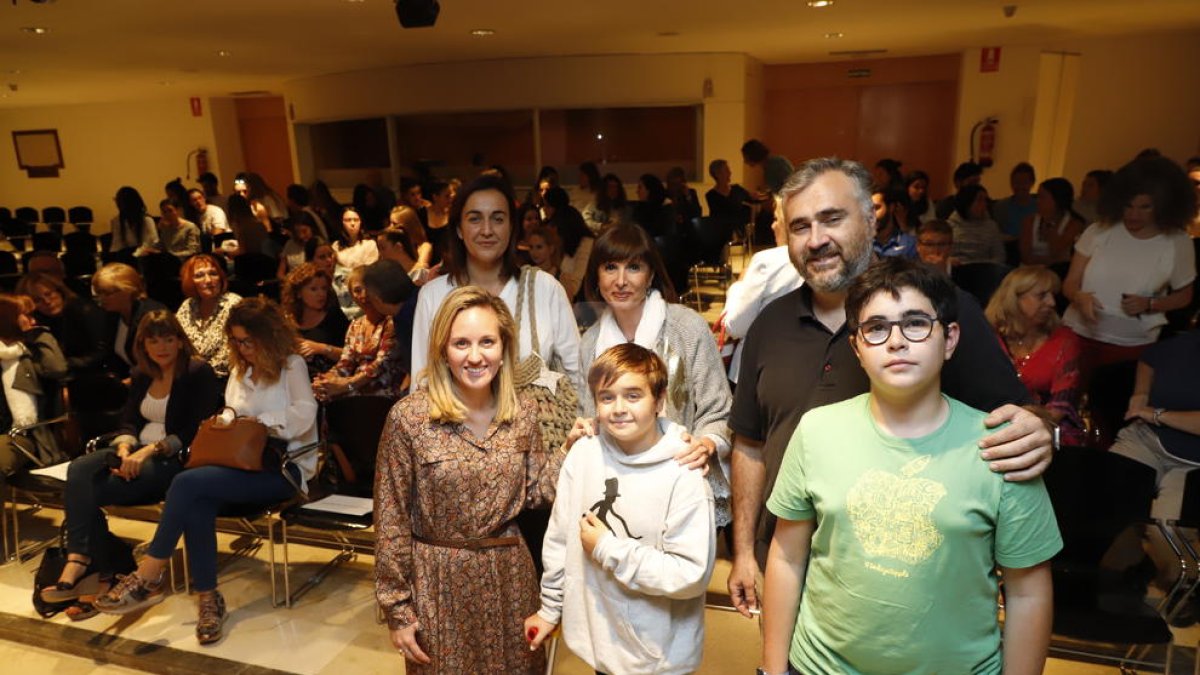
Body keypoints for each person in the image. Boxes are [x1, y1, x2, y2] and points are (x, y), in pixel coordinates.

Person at [727, 157, 1054, 619]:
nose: (816, 239)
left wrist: (1040, 431)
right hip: (786, 564)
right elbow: (750, 443)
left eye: (832, 218)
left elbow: (1021, 416)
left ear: (870, 217)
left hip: (905, 584)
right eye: (800, 226)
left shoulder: (936, 311)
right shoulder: (770, 323)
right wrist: (743, 551)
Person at [760, 258, 1061, 675]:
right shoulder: (817, 431)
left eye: (916, 323)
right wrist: (772, 670)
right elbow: (787, 557)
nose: (896, 341)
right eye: (877, 328)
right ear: (857, 347)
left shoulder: (1000, 446)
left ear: (950, 338)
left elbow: (1028, 592)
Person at [95, 297, 319, 645]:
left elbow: (305, 415)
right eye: (237, 341)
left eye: (248, 341)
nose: (242, 348)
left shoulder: (291, 366)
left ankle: (149, 574)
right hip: (236, 464)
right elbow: (229, 413)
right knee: (195, 499)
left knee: (186, 484)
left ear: (268, 335)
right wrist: (231, 421)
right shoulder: (240, 369)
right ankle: (208, 599)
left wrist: (261, 424)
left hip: (279, 469)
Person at [375, 286, 562, 674]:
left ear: (504, 346)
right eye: (461, 343)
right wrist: (396, 607)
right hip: (437, 581)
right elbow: (391, 517)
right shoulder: (409, 418)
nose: (476, 356)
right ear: (443, 349)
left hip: (510, 577)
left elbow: (536, 492)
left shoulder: (522, 412)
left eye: (487, 342)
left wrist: (574, 448)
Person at [525, 343, 714, 674]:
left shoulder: (684, 471)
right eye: (607, 397)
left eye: (633, 395)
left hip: (658, 658)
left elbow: (690, 574)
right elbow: (560, 537)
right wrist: (550, 608)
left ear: (659, 400)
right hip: (601, 643)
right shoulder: (584, 454)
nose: (618, 408)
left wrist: (607, 548)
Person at [44, 311, 221, 611]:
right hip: (135, 451)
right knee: (80, 469)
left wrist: (149, 451)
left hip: (175, 459)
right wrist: (126, 448)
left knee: (88, 493)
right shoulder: (142, 373)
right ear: (143, 345)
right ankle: (80, 558)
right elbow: (128, 421)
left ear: (180, 341)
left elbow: (196, 428)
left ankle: (104, 570)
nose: (162, 347)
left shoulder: (196, 371)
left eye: (168, 339)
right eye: (153, 341)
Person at [578, 224, 733, 524]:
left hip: (682, 480)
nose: (621, 281)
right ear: (596, 276)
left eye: (633, 267)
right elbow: (592, 418)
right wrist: (584, 431)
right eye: (610, 267)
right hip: (620, 487)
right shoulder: (591, 342)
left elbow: (719, 409)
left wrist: (706, 443)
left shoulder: (686, 327)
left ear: (650, 275)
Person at [410, 174, 584, 396]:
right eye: (474, 219)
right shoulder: (433, 296)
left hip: (538, 427)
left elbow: (577, 375)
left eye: (498, 219)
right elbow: (421, 383)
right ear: (459, 229)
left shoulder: (544, 288)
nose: (487, 230)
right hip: (454, 427)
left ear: (512, 228)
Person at [1062, 156, 1197, 363]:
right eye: (1128, 206)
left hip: (1133, 343)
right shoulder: (1099, 230)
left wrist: (1151, 304)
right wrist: (1079, 297)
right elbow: (1070, 283)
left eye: (1145, 207)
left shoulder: (1177, 242)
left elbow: (1184, 296)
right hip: (1079, 333)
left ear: (1163, 206)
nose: (1134, 215)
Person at [986, 265, 1085, 445]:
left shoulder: (1065, 341)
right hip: (991, 426)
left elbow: (1059, 408)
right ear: (1014, 300)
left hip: (1048, 432)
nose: (1052, 303)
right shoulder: (990, 339)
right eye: (1042, 296)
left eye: (1052, 295)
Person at [1111, 326, 1200, 520]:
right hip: (1147, 441)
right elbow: (1150, 357)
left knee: (1167, 535)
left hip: (1193, 466)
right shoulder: (1186, 343)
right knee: (1102, 505)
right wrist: (1141, 392)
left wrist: (1158, 416)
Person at [721, 211, 803, 385]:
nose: (772, 226)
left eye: (776, 219)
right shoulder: (829, 259)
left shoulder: (767, 262)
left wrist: (738, 285)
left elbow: (735, 326)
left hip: (758, 372)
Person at [0, 294, 68, 479]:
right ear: (7, 319)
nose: (33, 320)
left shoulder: (30, 354)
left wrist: (39, 333)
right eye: (26, 314)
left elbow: (58, 368)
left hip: (23, 435)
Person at [313, 265, 403, 401]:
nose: (364, 295)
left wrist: (347, 385)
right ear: (352, 296)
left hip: (385, 395)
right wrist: (326, 380)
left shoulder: (391, 321)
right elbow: (345, 363)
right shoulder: (356, 325)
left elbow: (382, 364)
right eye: (358, 290)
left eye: (368, 289)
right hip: (354, 395)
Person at [18, 271, 108, 379]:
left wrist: (66, 363)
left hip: (94, 375)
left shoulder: (85, 311)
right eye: (38, 300)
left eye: (49, 294)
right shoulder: (38, 320)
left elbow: (103, 352)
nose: (47, 301)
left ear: (60, 291)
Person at [93, 263, 168, 380]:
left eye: (107, 293)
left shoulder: (152, 315)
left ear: (127, 290)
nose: (101, 299)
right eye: (99, 293)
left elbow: (163, 361)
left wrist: (131, 381)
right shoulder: (112, 315)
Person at [175, 254, 242, 380]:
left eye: (213, 274)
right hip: (187, 375)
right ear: (190, 281)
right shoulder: (188, 305)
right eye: (199, 275)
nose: (208, 280)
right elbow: (177, 343)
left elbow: (229, 357)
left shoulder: (234, 305)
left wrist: (194, 371)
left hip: (220, 379)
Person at [282, 262, 348, 379]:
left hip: (328, 379)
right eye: (313, 289)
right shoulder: (286, 320)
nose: (321, 294)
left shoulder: (334, 317)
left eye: (324, 289)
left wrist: (321, 348)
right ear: (298, 293)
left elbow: (351, 355)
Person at [1019, 177, 1085, 268]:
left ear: (1058, 200)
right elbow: (1026, 257)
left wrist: (1050, 228)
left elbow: (1056, 253)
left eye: (1042, 197)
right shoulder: (1029, 221)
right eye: (1037, 196)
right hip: (1029, 271)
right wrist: (1052, 260)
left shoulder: (1074, 224)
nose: (1037, 201)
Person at [542, 186, 593, 299]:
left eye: (547, 206)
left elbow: (575, 286)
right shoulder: (549, 228)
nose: (544, 209)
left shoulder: (583, 242)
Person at [947, 184, 1006, 265]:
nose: (984, 204)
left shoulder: (991, 226)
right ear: (967, 202)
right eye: (979, 200)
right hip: (957, 267)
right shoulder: (948, 226)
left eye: (985, 200)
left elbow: (999, 256)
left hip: (984, 269)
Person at [991, 162, 1038, 241]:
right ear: (1011, 183)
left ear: (1032, 183)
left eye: (1024, 182)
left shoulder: (1040, 207)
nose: (1020, 186)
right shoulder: (1000, 207)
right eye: (1016, 182)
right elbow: (993, 234)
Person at [108, 186, 159, 260]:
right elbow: (116, 244)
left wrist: (134, 254)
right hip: (126, 257)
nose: (117, 204)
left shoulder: (147, 220)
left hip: (145, 257)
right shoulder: (117, 221)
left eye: (119, 201)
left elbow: (151, 243)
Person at [705, 158, 753, 231]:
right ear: (717, 174)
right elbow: (721, 217)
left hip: (740, 232)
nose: (730, 172)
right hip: (722, 232)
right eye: (726, 170)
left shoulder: (737, 189)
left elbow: (752, 198)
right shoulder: (711, 196)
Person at [871, 188, 916, 259]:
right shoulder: (861, 244)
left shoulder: (909, 244)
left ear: (891, 207)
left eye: (876, 208)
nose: (871, 215)